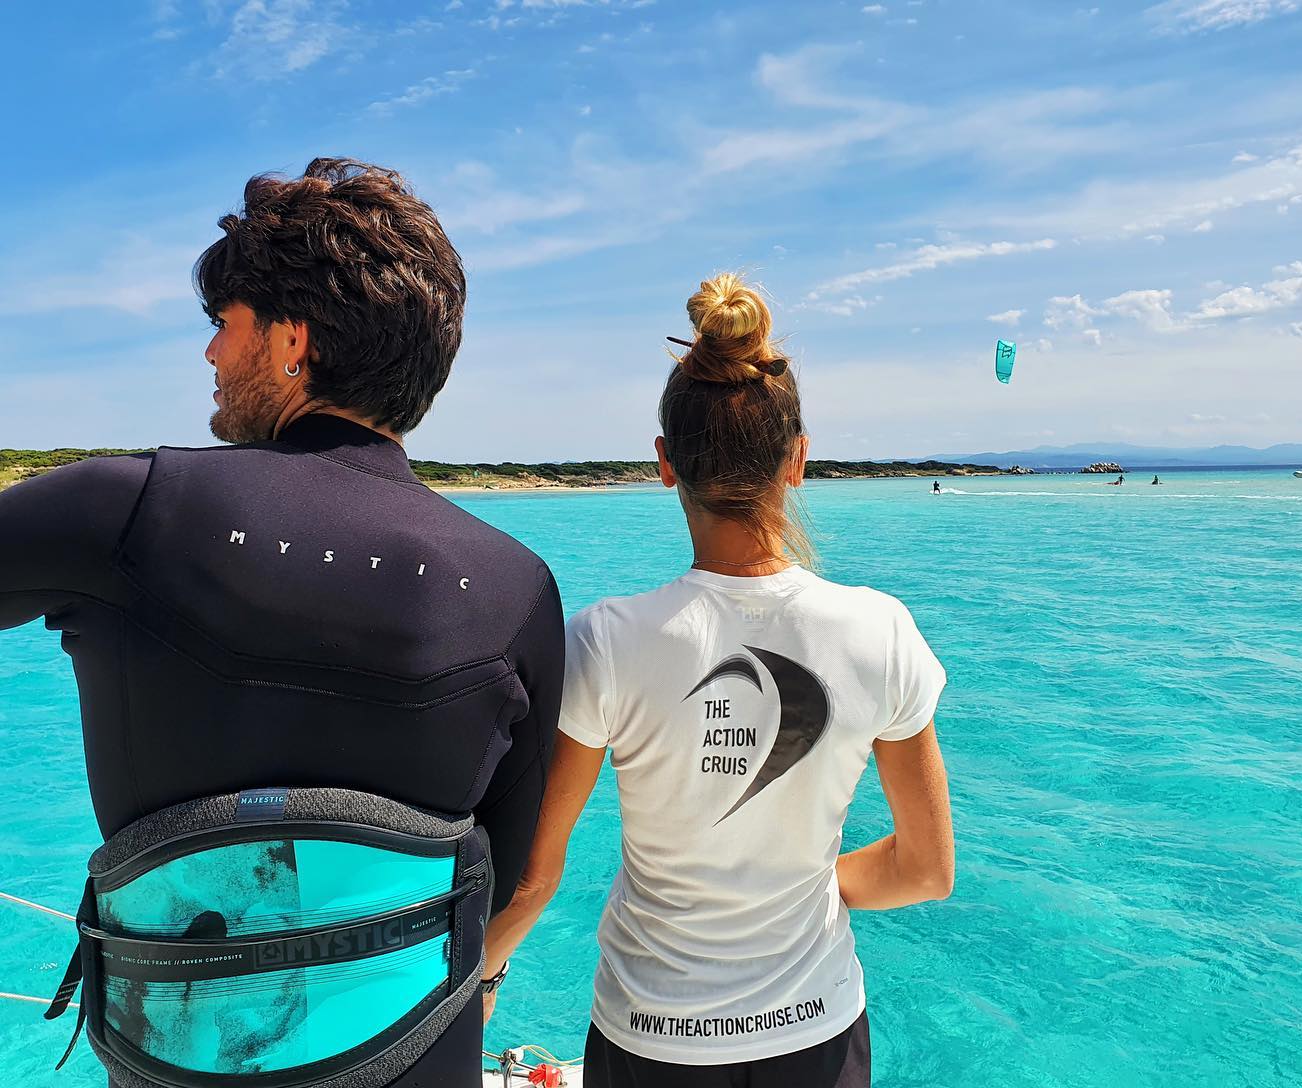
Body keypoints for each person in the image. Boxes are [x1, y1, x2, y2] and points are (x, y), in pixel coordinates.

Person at [0, 159, 563, 1087]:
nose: (211, 356)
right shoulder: (517, 588)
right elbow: (517, 877)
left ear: (292, 339)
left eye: (224, 324)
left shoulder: (123, 511)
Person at [484, 274, 955, 1088]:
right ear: (798, 459)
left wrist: (481, 980)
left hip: (651, 1040)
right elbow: (926, 870)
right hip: (817, 1036)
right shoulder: (880, 631)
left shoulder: (606, 640)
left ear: (665, 463)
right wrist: (808, 890)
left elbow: (534, 877)